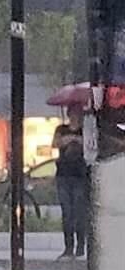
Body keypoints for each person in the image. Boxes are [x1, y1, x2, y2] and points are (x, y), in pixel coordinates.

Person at [53, 106, 89, 260]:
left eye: (78, 114)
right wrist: (68, 139)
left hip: (79, 176)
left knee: (79, 213)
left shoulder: (85, 131)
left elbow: (88, 144)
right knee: (67, 213)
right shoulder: (61, 129)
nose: (75, 116)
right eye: (73, 113)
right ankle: (68, 247)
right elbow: (56, 143)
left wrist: (76, 139)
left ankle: (80, 247)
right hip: (63, 175)